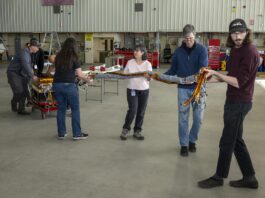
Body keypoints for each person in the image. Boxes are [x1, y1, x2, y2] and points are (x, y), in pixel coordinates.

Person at [198, 19, 259, 189]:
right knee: (236, 140)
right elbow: (231, 76)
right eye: (234, 33)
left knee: (227, 141)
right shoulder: (235, 50)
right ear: (230, 35)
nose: (237, 36)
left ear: (246, 32)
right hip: (233, 99)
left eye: (240, 32)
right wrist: (209, 80)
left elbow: (239, 82)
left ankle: (218, 177)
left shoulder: (250, 52)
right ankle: (250, 178)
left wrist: (216, 73)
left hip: (240, 103)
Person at [164, 24, 208, 156]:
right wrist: (158, 77)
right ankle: (184, 144)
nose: (188, 41)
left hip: (198, 89)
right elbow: (173, 70)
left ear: (195, 36)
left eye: (191, 38)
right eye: (186, 38)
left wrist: (195, 78)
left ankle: (192, 140)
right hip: (183, 89)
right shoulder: (178, 52)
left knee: (198, 118)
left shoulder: (202, 50)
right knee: (183, 118)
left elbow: (203, 69)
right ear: (183, 37)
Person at [53, 37, 91, 140]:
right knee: (75, 109)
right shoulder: (74, 57)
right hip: (69, 86)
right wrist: (87, 80)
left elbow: (59, 69)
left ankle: (61, 133)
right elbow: (79, 74)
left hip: (57, 85)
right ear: (74, 46)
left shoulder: (58, 56)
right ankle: (77, 134)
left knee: (61, 109)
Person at [120, 45, 152, 141]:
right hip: (132, 89)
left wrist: (147, 76)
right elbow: (125, 75)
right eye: (134, 50)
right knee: (132, 110)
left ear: (142, 52)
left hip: (144, 90)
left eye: (137, 50)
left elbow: (150, 78)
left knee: (141, 112)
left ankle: (137, 130)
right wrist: (125, 75)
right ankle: (126, 129)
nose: (135, 52)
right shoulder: (130, 62)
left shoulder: (148, 64)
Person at [6, 39, 39, 115]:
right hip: (14, 74)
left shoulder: (28, 53)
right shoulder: (24, 52)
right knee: (19, 91)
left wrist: (32, 72)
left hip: (22, 74)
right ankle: (13, 102)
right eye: (37, 47)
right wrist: (32, 76)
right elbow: (25, 64)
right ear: (32, 46)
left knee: (24, 92)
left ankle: (21, 110)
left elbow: (28, 65)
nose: (38, 49)